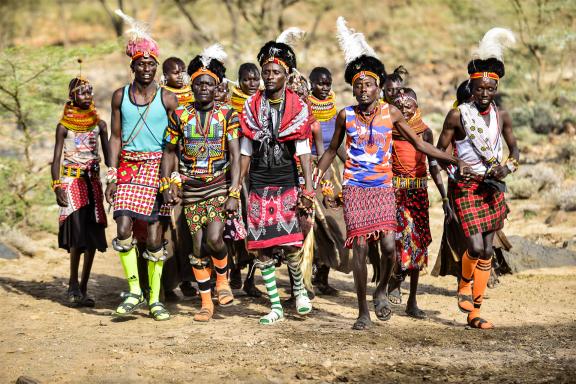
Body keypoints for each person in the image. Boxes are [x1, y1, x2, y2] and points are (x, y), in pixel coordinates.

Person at [316, 17, 467, 330]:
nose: (363, 90)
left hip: (384, 188)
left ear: (377, 89)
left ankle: (382, 288)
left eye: (368, 85)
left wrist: (450, 159)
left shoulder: (391, 112)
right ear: (353, 89)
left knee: (388, 247)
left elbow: (419, 145)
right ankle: (362, 312)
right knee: (359, 248)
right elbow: (331, 149)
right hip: (356, 188)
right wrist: (314, 177)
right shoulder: (346, 115)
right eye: (357, 86)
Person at [436, 28, 518, 329]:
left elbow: (516, 149)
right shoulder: (458, 116)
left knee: (487, 250)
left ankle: (475, 312)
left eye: (490, 89)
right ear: (471, 87)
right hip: (465, 186)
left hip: (492, 186)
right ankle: (463, 284)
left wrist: (508, 167)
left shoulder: (503, 116)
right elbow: (439, 153)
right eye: (479, 89)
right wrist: (457, 165)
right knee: (475, 245)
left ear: (495, 89)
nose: (484, 94)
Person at [239, 28, 315, 325]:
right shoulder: (250, 107)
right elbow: (246, 151)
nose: (268, 76)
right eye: (265, 72)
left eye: (274, 72)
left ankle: (298, 290)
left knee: (291, 243)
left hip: (286, 181)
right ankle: (275, 306)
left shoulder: (297, 107)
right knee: (262, 247)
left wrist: (308, 189)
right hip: (259, 183)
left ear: (285, 75)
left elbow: (304, 150)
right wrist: (237, 190)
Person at [106, 10, 178, 321]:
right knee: (122, 228)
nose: (146, 68)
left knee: (153, 237)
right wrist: (110, 174)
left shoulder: (168, 99)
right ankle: (134, 291)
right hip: (127, 168)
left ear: (156, 67)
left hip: (157, 168)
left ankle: (154, 298)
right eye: (141, 64)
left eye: (151, 64)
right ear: (132, 66)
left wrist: (172, 180)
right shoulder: (119, 96)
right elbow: (115, 137)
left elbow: (176, 145)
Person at [161, 44, 240, 322]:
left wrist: (234, 192)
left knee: (215, 239)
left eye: (209, 83)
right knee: (196, 249)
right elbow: (169, 151)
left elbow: (235, 154)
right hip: (191, 190)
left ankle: (222, 281)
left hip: (218, 186)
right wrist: (168, 182)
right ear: (192, 87)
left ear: (216, 85)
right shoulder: (180, 116)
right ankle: (206, 304)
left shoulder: (228, 114)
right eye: (199, 84)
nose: (204, 88)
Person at [386, 87, 452, 319]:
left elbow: (432, 163)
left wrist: (443, 196)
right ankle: (391, 281)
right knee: (391, 245)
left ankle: (412, 301)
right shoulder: (389, 129)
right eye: (399, 106)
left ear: (417, 106)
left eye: (408, 105)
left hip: (417, 195)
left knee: (417, 246)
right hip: (392, 194)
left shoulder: (425, 133)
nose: (404, 109)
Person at [51, 70, 109, 308]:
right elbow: (55, 159)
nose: (86, 95)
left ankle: (84, 288)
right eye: (81, 92)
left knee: (93, 237)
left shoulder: (100, 125)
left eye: (89, 91)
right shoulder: (63, 126)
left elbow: (110, 156)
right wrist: (57, 186)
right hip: (72, 183)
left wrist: (113, 181)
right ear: (72, 96)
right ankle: (73, 284)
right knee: (77, 237)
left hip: (93, 183)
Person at [308, 66, 351, 295]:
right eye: (320, 83)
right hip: (308, 169)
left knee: (336, 222)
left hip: (331, 172)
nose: (324, 88)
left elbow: (337, 145)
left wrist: (353, 166)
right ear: (311, 83)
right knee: (314, 224)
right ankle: (308, 279)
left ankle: (323, 277)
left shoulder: (335, 113)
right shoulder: (303, 109)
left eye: (327, 83)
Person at [227, 63, 263, 297]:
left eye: (255, 79)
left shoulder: (263, 103)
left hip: (258, 172)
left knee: (256, 225)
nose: (251, 83)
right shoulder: (230, 108)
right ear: (238, 80)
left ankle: (251, 278)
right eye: (246, 79)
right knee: (233, 223)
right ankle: (234, 269)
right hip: (236, 172)